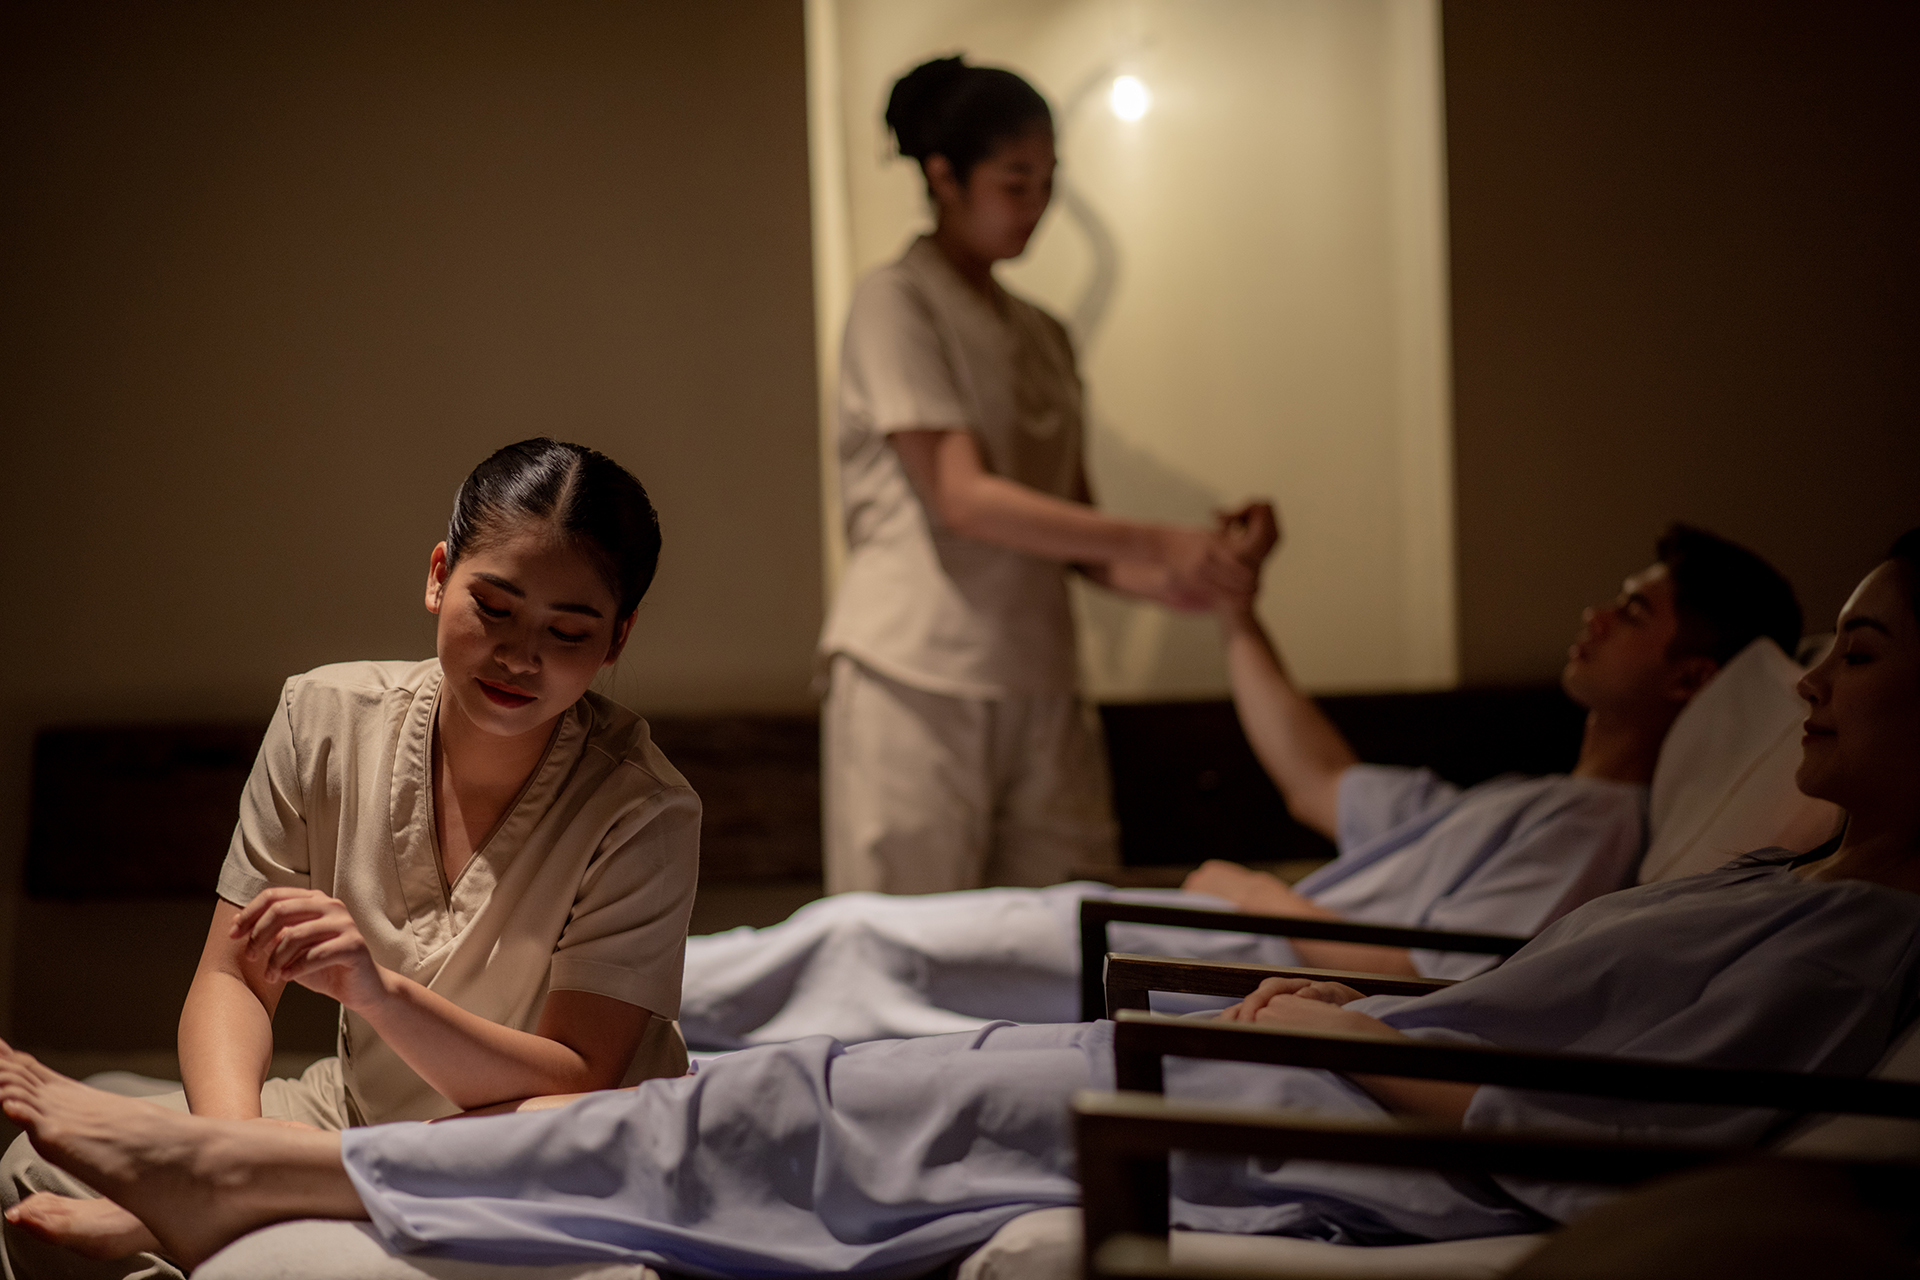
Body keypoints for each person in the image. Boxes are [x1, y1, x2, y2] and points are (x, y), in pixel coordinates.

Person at [11, 528, 1899, 1278]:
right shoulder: (1755, 871)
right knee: (806, 1062)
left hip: (1310, 1086)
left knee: (794, 1092)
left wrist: (1341, 1005)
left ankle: (253, 1179)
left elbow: (1597, 1140)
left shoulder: (1850, 936)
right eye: (1822, 650)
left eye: (1867, 655)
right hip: (1276, 1040)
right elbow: (1360, 835)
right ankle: (254, 1173)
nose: (1819, 681)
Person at [677, 519, 1803, 1047]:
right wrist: (1235, 615)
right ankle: (618, 1006)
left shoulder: (1598, 828)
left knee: (860, 946)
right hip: (1186, 932)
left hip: (1201, 963)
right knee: (853, 941)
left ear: (1691, 678)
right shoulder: (1530, 796)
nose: (1597, 614)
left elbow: (1440, 976)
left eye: (1636, 611)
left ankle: (615, 1012)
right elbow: (1321, 779)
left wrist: (1262, 898)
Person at [0, 439, 701, 1280]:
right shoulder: (324, 718)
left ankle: (276, 1189)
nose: (521, 656)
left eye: (568, 631)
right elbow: (233, 975)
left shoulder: (644, 810)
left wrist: (378, 993)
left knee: (551, 1142)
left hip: (535, 1151)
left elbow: (579, 1079)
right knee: (30, 1168)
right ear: (439, 576)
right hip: (358, 1113)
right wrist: (229, 1148)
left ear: (617, 638)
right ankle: (253, 1185)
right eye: (494, 608)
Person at [817, 54, 1261, 896]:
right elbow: (963, 498)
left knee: (1060, 929)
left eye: (1048, 183)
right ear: (945, 178)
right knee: (911, 940)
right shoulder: (896, 301)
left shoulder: (1043, 335)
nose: (1036, 207)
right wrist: (1162, 538)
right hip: (918, 673)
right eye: (1015, 182)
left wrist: (1200, 571)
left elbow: (1081, 539)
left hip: (1040, 673)